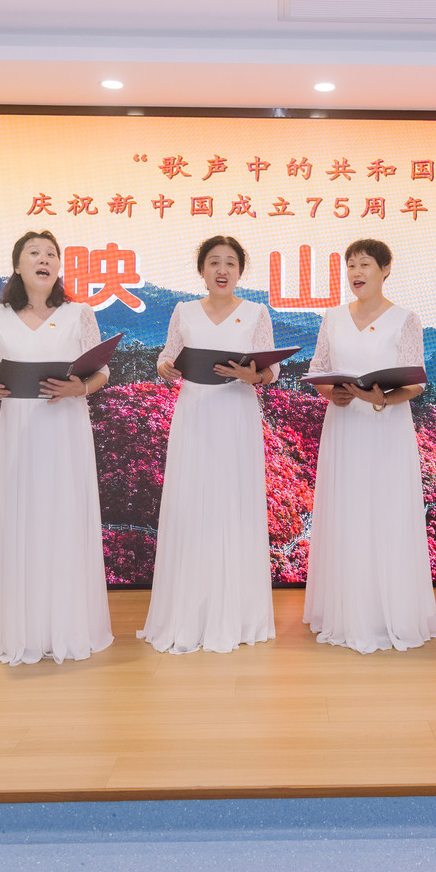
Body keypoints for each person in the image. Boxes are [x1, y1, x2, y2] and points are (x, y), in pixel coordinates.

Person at [0, 230, 113, 665]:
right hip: (19, 428)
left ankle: (68, 625)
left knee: (64, 515)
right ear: (18, 265)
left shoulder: (79, 313)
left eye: (51, 254)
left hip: (64, 427)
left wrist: (80, 387)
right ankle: (21, 627)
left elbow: (101, 371)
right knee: (22, 516)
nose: (44, 259)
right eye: (34, 253)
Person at [138, 235, 279, 653]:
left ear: (240, 271)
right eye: (214, 262)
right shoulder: (184, 311)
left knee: (233, 504)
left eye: (230, 263)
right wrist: (165, 367)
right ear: (201, 270)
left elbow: (270, 370)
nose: (222, 270)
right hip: (195, 413)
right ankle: (190, 612)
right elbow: (168, 356)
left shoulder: (256, 312)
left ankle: (236, 614)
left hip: (236, 413)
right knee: (192, 502)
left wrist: (255, 375)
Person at [303, 239, 436, 653]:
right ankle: (346, 609)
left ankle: (387, 612)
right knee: (346, 510)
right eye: (350, 266)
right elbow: (318, 369)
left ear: (385, 270)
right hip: (345, 424)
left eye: (364, 264)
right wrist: (332, 392)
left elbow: (416, 381)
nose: (356, 273)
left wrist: (380, 398)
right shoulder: (333, 317)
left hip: (386, 428)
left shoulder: (405, 319)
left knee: (386, 511)